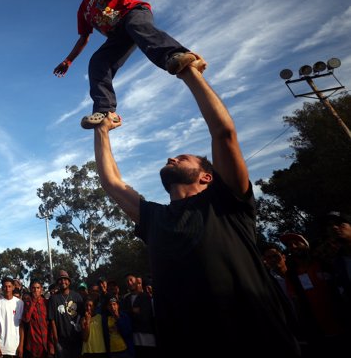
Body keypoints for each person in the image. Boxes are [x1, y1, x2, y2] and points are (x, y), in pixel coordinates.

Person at [93, 58, 300, 356]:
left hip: (259, 341)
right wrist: (102, 131)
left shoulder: (227, 201)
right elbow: (112, 183)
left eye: (182, 157)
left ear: (207, 175)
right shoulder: (154, 218)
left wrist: (188, 73)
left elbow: (223, 133)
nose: (171, 159)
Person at [54, 0, 204, 129]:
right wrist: (69, 60)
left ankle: (175, 54)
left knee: (136, 26)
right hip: (118, 35)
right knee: (98, 62)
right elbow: (84, 38)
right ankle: (105, 111)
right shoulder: (82, 12)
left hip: (132, 13)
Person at [48, 270, 84, 358]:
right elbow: (52, 321)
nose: (63, 281)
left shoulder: (77, 296)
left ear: (69, 282)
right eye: (60, 280)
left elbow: (82, 316)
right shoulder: (53, 299)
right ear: (57, 283)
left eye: (65, 279)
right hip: (62, 342)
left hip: (77, 340)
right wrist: (56, 341)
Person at [120, 274, 156, 358]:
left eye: (131, 280)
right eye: (127, 281)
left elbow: (144, 317)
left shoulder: (146, 297)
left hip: (148, 339)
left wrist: (130, 313)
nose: (129, 282)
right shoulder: (126, 299)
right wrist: (133, 311)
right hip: (133, 340)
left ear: (137, 281)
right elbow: (124, 316)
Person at [0, 276, 24, 358]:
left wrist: (21, 346)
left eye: (9, 286)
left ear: (13, 287)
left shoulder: (19, 303)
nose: (7, 289)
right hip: (2, 349)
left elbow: (21, 326)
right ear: (2, 288)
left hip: (15, 348)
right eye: (5, 286)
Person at [21, 279, 51, 358]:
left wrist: (51, 344)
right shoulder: (27, 303)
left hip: (47, 343)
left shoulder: (46, 302)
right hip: (33, 345)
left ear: (41, 289)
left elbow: (51, 323)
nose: (36, 290)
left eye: (38, 288)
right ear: (30, 289)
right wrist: (33, 301)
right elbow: (26, 319)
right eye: (33, 288)